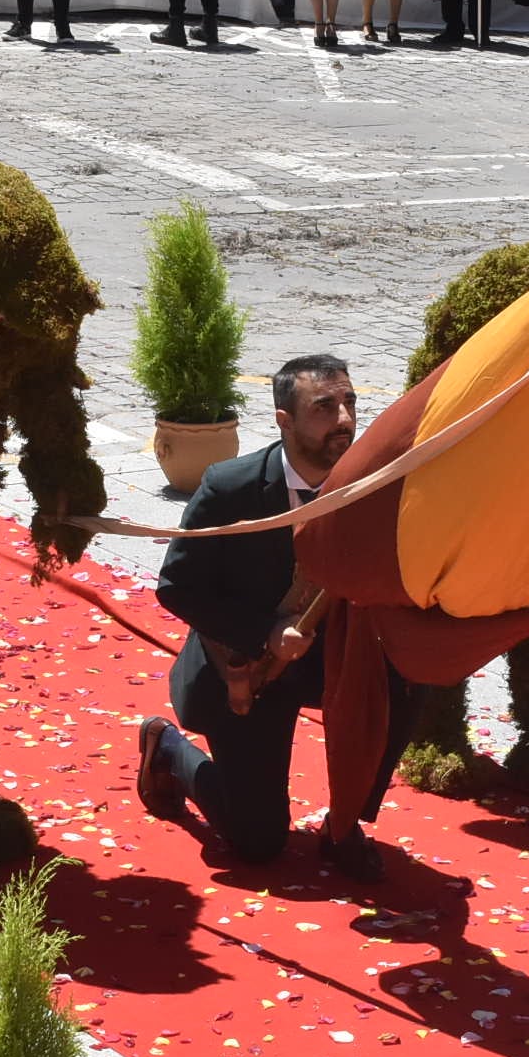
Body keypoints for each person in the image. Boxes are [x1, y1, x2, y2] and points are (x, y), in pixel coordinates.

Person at [137, 355, 400, 880]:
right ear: (284, 419)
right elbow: (177, 587)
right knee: (257, 842)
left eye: (350, 402)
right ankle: (166, 748)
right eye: (324, 407)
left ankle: (343, 824)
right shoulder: (229, 486)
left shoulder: (372, 482)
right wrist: (266, 631)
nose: (345, 419)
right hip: (248, 672)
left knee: (404, 682)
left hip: (332, 658)